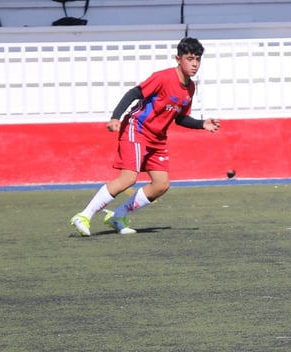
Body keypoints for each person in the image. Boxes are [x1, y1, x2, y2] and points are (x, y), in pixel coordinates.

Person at [70, 37, 221, 237]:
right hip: (137, 128)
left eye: (198, 59)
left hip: (157, 138)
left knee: (161, 185)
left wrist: (202, 124)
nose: (194, 64)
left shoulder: (190, 88)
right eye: (190, 58)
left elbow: (180, 118)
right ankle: (84, 215)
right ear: (178, 58)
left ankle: (118, 216)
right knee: (128, 178)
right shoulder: (163, 77)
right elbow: (134, 93)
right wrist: (115, 117)